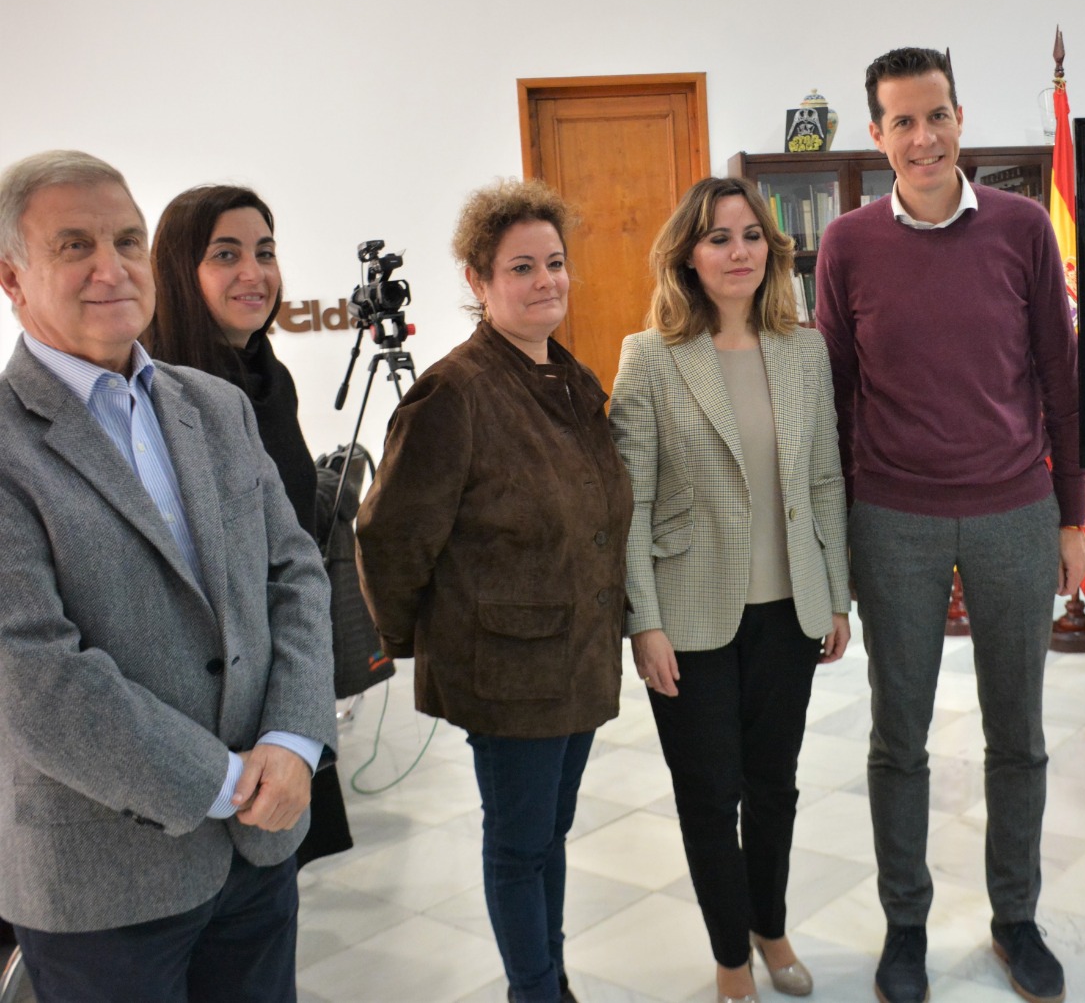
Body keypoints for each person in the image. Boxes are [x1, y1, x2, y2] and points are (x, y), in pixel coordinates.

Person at [0, 150, 335, 1003]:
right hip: (106, 881)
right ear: (13, 276)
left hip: (259, 847)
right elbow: (31, 672)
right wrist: (223, 782)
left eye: (127, 240)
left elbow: (294, 573)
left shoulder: (212, 405)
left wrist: (295, 742)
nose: (111, 268)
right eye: (74, 245)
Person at [814, 48, 1085, 1003]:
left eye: (936, 116)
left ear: (961, 118)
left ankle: (1016, 917)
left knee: (1020, 735)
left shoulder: (1019, 228)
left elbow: (1061, 377)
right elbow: (836, 400)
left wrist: (1071, 515)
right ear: (878, 135)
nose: (922, 137)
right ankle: (906, 926)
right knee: (901, 740)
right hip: (894, 519)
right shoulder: (847, 245)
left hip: (1016, 509)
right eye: (902, 122)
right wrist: (840, 539)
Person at [356, 178, 629, 1003]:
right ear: (478, 282)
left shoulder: (569, 379)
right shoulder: (455, 391)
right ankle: (535, 990)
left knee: (549, 835)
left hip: (577, 657)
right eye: (522, 268)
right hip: (507, 667)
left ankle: (546, 975)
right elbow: (388, 533)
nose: (546, 280)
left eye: (555, 263)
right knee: (519, 844)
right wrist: (417, 639)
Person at [610, 177, 851, 1003]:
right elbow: (629, 503)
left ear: (772, 250)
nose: (738, 251)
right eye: (719, 238)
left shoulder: (804, 348)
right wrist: (643, 621)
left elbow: (825, 481)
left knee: (772, 784)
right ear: (688, 255)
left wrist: (839, 597)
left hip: (790, 609)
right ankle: (730, 954)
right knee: (710, 796)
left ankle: (771, 925)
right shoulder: (650, 357)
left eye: (752, 236)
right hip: (689, 616)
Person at [145, 183, 354, 868]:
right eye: (225, 254)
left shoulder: (269, 375)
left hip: (282, 668)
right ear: (179, 270)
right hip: (212, 697)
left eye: (264, 251)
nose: (253, 273)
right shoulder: (163, 390)